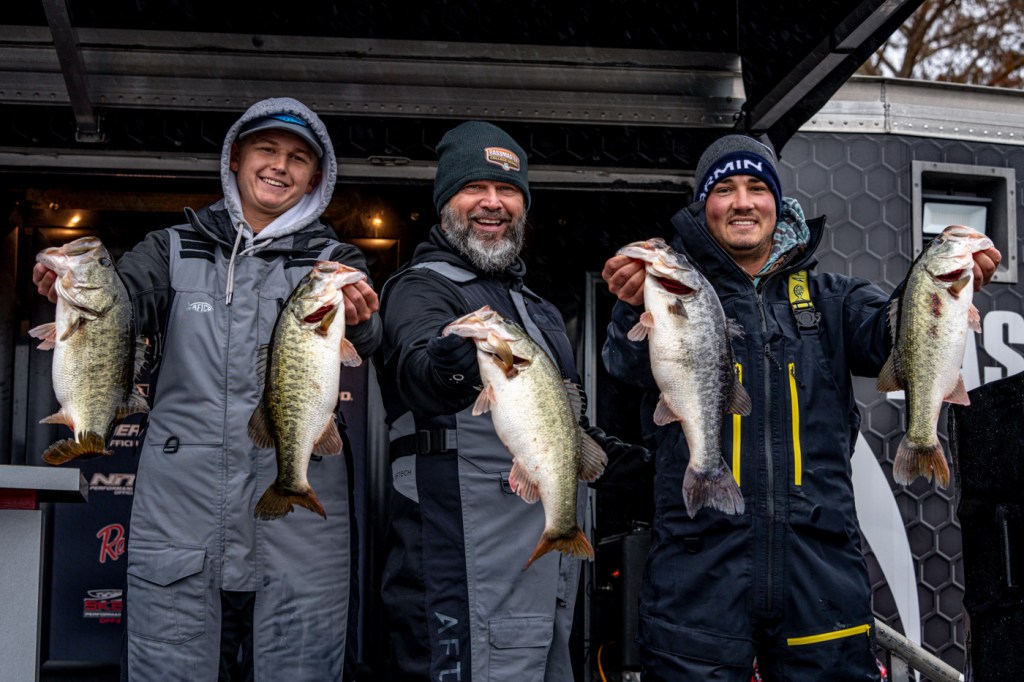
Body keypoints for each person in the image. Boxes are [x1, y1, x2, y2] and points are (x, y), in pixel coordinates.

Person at [601, 134, 1001, 681]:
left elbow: (890, 339)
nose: (742, 202)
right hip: (698, 567)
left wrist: (942, 283)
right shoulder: (669, 290)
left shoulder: (833, 297)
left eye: (757, 187)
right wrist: (632, 308)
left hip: (820, 569)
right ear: (703, 205)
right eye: (724, 189)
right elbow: (622, 368)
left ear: (778, 202)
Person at [34, 97, 381, 681]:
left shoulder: (333, 260)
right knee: (172, 664)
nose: (280, 166)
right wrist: (75, 294)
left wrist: (364, 320)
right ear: (236, 158)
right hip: (182, 510)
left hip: (299, 527)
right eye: (267, 149)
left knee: (300, 665)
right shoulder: (170, 246)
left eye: (298, 158)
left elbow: (372, 340)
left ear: (315, 177)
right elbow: (122, 302)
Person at [375, 120, 637, 681]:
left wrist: (659, 470)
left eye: (508, 190)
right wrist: (449, 359)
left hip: (547, 568)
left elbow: (569, 430)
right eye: (475, 187)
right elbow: (420, 374)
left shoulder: (537, 309)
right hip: (459, 559)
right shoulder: (420, 287)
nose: (493, 203)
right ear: (445, 201)